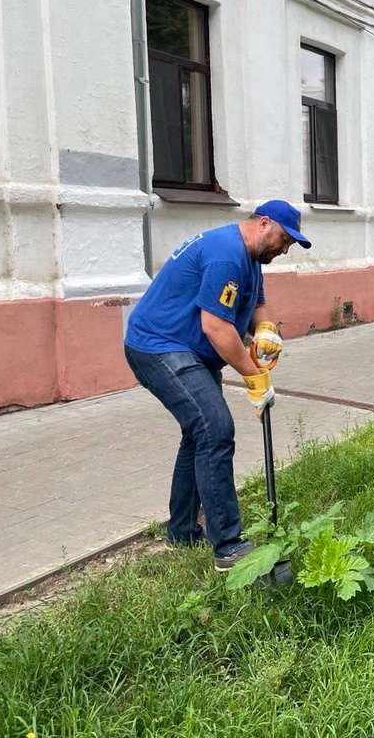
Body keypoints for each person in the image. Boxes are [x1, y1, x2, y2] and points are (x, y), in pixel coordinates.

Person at [124, 200, 311, 571]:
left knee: (199, 434)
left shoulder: (249, 259)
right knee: (214, 427)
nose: (285, 248)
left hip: (190, 350)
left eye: (290, 243)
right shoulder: (227, 256)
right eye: (284, 239)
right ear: (264, 223)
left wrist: (266, 329)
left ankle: (180, 532)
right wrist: (254, 376)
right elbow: (217, 329)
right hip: (159, 346)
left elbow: (255, 302)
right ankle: (227, 546)